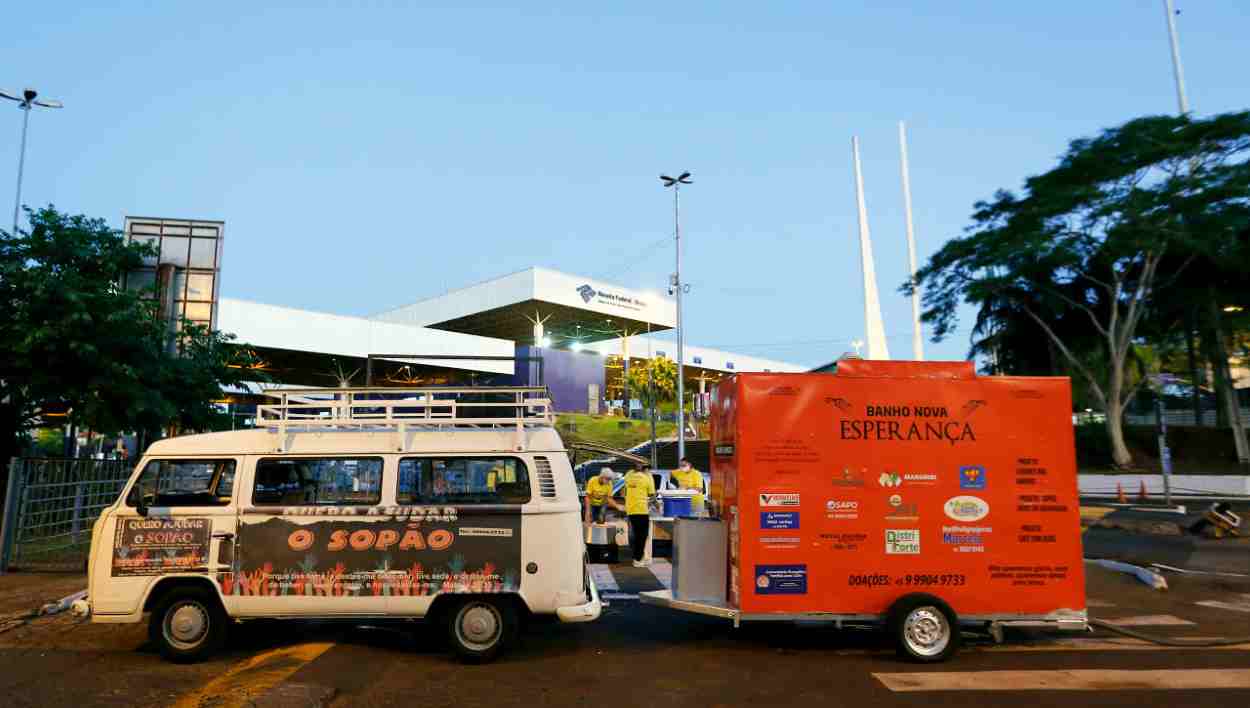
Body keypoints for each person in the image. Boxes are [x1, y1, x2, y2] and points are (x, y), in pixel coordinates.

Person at [622, 466, 656, 567]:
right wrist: (656, 505)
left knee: (634, 535)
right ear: (646, 469)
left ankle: (637, 557)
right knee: (643, 535)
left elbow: (624, 491)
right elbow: (652, 494)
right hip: (641, 510)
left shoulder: (629, 474)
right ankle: (638, 559)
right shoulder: (647, 477)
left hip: (630, 509)